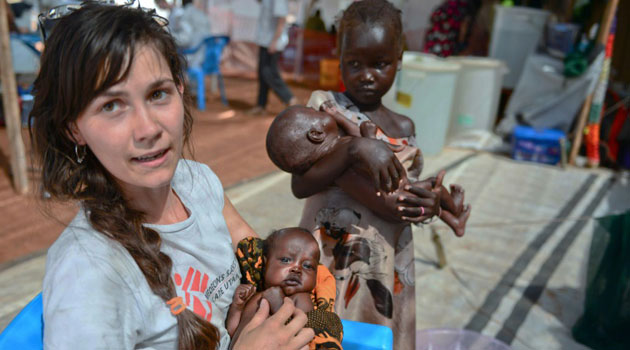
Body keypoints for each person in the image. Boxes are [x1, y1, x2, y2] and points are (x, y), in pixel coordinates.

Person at [30, 3, 313, 349]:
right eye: (111, 106)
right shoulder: (88, 273)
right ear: (74, 128)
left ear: (180, 89)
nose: (148, 129)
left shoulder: (198, 183)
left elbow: (261, 260)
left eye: (157, 94)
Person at [279, 1, 467, 348]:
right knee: (321, 334)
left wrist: (435, 202)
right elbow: (300, 183)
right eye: (354, 63)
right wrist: (355, 149)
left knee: (373, 335)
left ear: (399, 60)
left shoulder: (404, 127)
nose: (367, 75)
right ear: (340, 56)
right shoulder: (326, 110)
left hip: (382, 263)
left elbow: (403, 195)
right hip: (331, 258)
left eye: (380, 64)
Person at [266, 106, 470, 236]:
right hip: (399, 196)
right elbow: (370, 152)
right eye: (317, 113)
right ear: (316, 134)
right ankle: (454, 209)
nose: (321, 110)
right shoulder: (342, 155)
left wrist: (354, 131)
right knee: (436, 186)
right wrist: (365, 136)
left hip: (397, 200)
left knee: (432, 195)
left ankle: (453, 219)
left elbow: (362, 143)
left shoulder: (333, 157)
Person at [226, 228, 341, 350]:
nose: (296, 269)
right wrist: (237, 308)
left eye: (307, 266)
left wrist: (279, 305)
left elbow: (302, 335)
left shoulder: (300, 298)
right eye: (286, 260)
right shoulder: (254, 295)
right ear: (265, 263)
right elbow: (233, 332)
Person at [247, 0, 299, 115]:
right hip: (265, 40)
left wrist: (274, 42)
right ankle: (261, 105)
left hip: (272, 42)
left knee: (269, 72)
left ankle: (290, 99)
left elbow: (281, 20)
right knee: (262, 73)